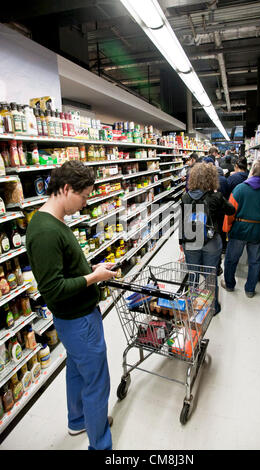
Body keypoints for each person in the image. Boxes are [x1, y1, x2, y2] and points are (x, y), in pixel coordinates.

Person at [26, 161, 117, 450]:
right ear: (66, 189)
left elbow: (65, 269)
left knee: (77, 370)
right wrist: (94, 277)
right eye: (84, 196)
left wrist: (93, 269)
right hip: (78, 320)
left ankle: (79, 420)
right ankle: (99, 444)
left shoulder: (55, 220)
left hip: (77, 318)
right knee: (97, 381)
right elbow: (53, 288)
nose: (86, 202)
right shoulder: (44, 232)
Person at [179, 162, 235, 314]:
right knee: (210, 277)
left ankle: (192, 306)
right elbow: (231, 210)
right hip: (211, 241)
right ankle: (213, 308)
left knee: (193, 275)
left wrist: (181, 242)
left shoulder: (185, 197)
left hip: (191, 241)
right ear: (212, 179)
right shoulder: (216, 196)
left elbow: (182, 221)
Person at [221, 160, 260, 298]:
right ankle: (250, 289)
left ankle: (229, 284)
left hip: (239, 229)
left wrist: (226, 228)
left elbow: (230, 212)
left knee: (231, 259)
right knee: (255, 261)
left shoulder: (240, 189)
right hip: (259, 231)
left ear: (251, 171)